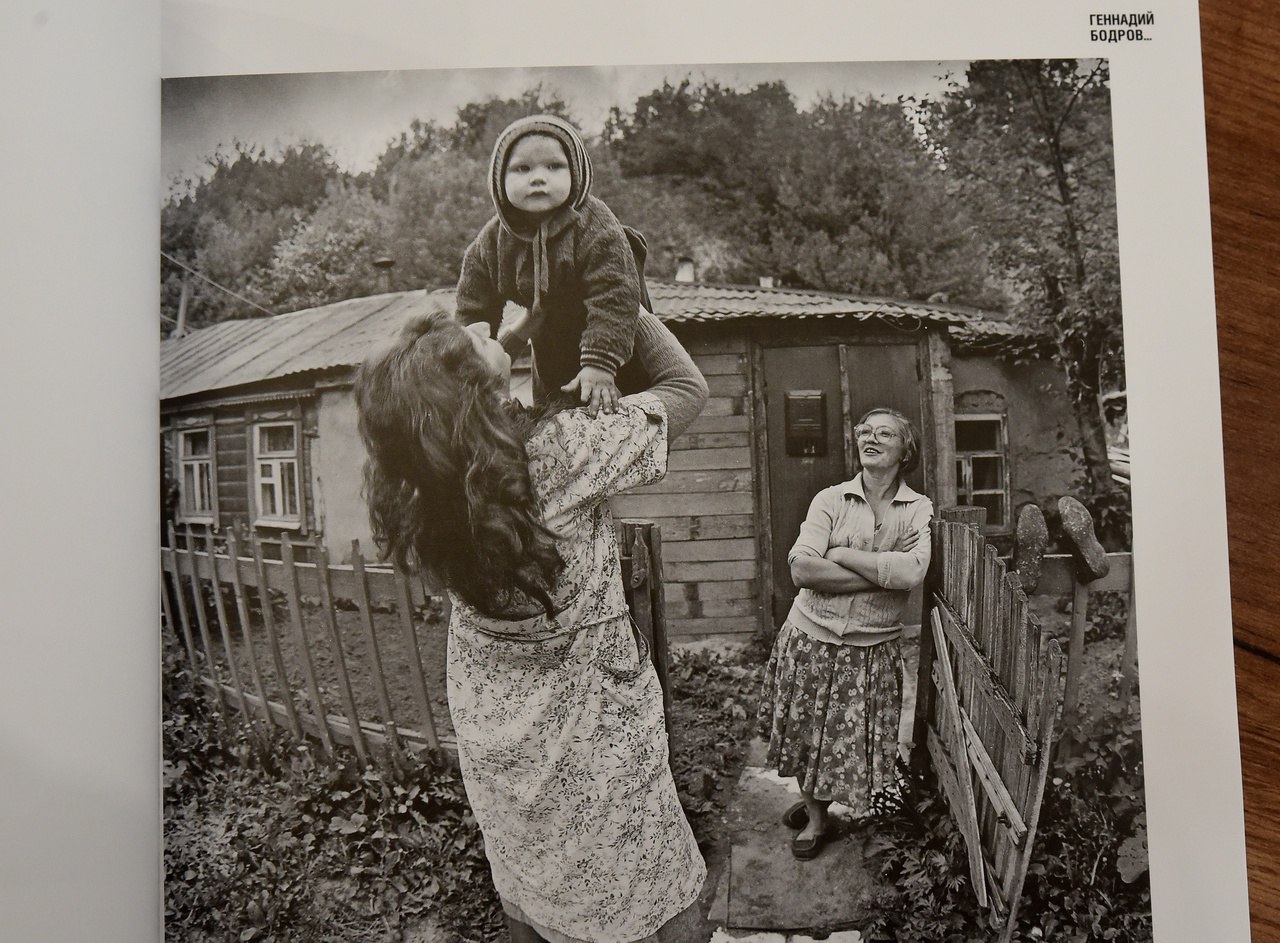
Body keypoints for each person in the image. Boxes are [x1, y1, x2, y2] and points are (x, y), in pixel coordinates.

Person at [355, 303, 708, 943]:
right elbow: (686, 389)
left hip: (497, 722)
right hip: (588, 720)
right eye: (474, 337)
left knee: (536, 875)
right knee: (636, 874)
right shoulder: (562, 455)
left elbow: (470, 404)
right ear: (474, 389)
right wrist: (618, 297)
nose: (487, 323)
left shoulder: (418, 482)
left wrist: (503, 347)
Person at [757, 408, 933, 860]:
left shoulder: (917, 510)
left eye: (885, 433)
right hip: (810, 638)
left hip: (868, 649)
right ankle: (817, 818)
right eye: (865, 432)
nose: (870, 438)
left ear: (905, 450)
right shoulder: (830, 500)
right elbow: (801, 568)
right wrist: (881, 574)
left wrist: (842, 555)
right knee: (805, 735)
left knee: (844, 742)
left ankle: (822, 803)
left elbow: (913, 571)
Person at [454, 113, 654, 416]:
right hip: (550, 344)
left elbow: (615, 293)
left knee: (621, 416)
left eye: (554, 166)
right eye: (522, 168)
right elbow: (472, 306)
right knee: (554, 414)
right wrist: (470, 349)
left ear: (576, 172)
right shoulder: (491, 242)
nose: (538, 177)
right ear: (499, 180)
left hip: (616, 341)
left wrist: (600, 363)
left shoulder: (595, 224)